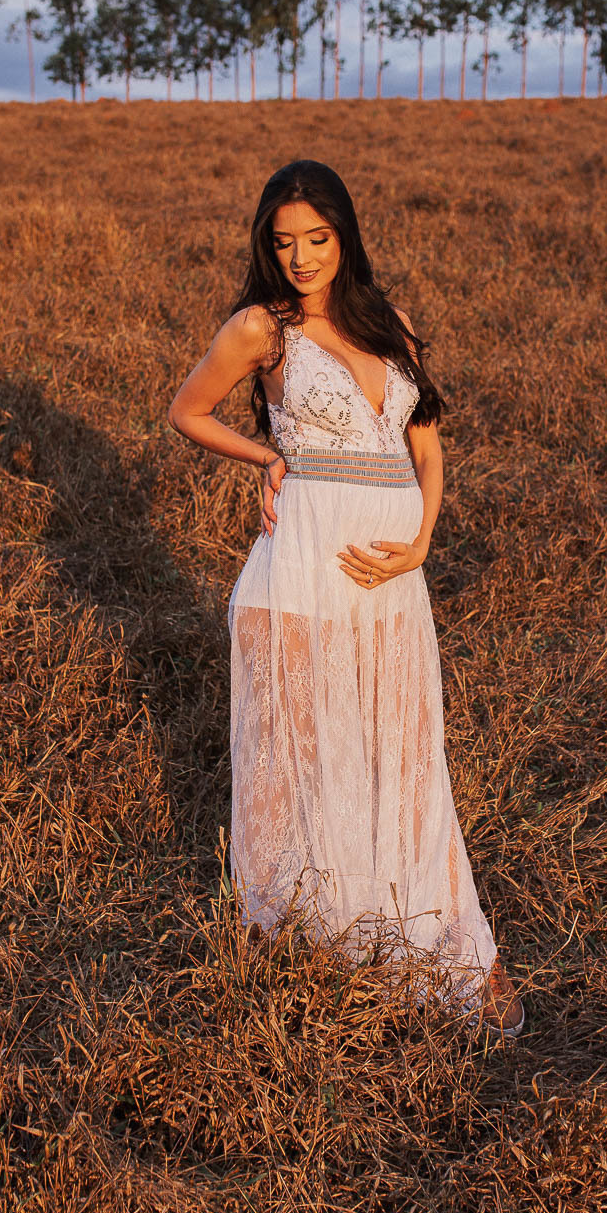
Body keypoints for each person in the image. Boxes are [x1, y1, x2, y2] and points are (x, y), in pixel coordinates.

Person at [167, 159, 525, 1038]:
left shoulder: (390, 322)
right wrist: (269, 458)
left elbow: (427, 445)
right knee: (300, 756)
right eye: (283, 242)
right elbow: (187, 410)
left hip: (394, 581)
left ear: (344, 236)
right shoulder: (262, 329)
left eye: (316, 240)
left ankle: (425, 929)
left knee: (400, 754)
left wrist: (424, 541)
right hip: (298, 576)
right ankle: (297, 942)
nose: (299, 257)